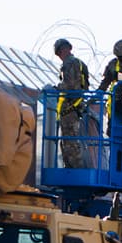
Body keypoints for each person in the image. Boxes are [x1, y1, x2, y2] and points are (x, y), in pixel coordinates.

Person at [53, 38, 90, 169]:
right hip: (74, 106)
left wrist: (55, 88)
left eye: (59, 52)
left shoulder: (69, 64)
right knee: (68, 140)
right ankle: (72, 168)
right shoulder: (79, 63)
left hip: (70, 107)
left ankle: (74, 169)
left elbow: (71, 85)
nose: (60, 55)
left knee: (70, 141)